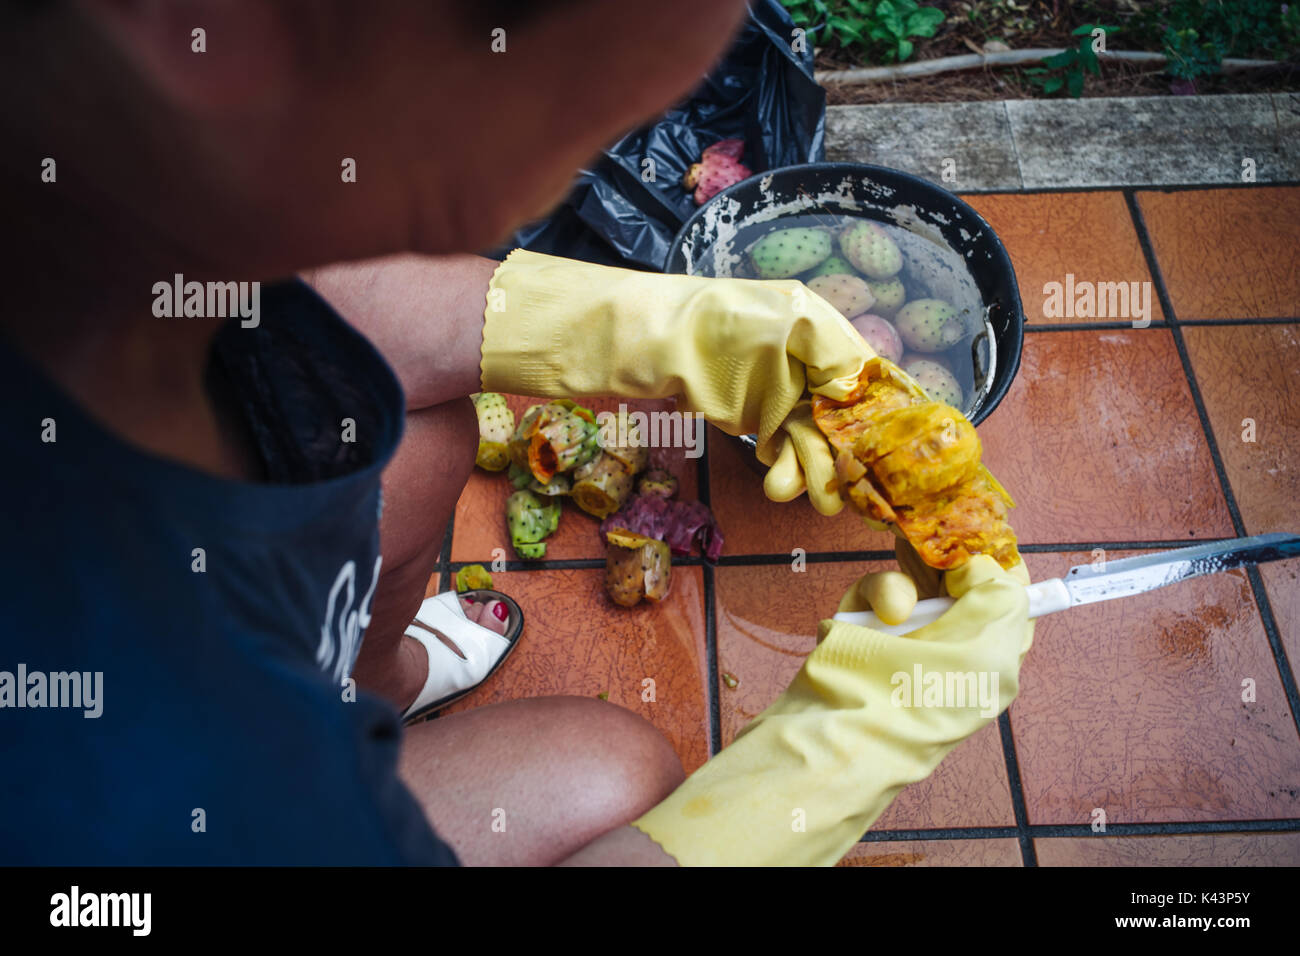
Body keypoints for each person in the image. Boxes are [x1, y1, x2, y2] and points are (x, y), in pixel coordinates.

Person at [0, 0, 1033, 866]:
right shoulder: (116, 795)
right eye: (590, 116)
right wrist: (831, 760)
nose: (567, 180)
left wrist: (679, 332)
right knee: (617, 775)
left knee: (415, 435)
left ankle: (378, 686)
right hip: (249, 798)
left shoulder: (97, 196)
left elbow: (309, 309)